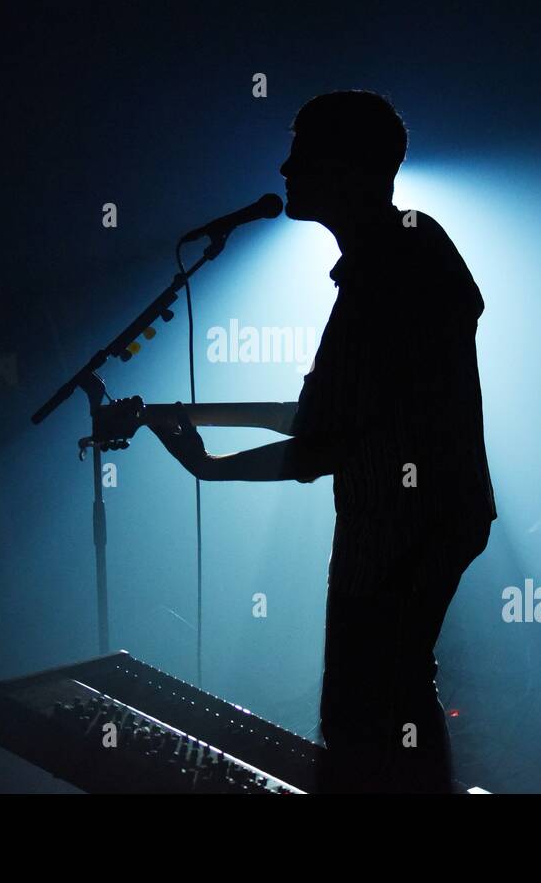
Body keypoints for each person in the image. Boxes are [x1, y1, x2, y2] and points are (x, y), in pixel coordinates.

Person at [150, 90, 497, 792]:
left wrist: (209, 468)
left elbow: (321, 444)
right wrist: (193, 415)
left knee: (366, 707)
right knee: (394, 690)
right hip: (432, 517)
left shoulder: (385, 269)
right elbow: (324, 417)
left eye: (303, 154)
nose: (284, 167)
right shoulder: (404, 246)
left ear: (350, 168)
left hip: (403, 524)